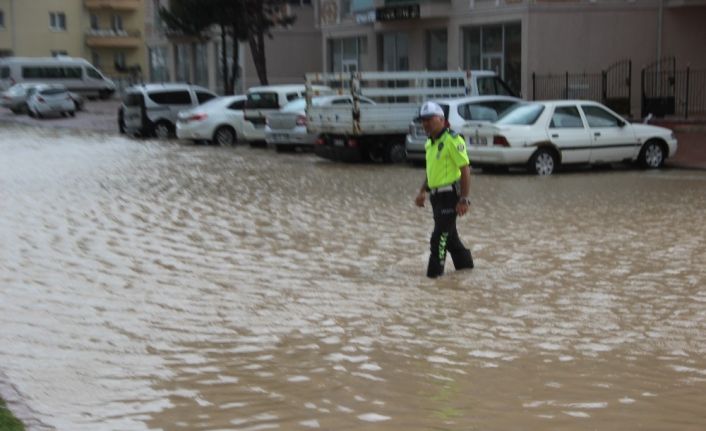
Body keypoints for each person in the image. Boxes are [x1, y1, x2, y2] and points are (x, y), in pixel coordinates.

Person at [414, 101, 474, 278]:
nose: (425, 123)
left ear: (441, 119)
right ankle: (467, 270)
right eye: (423, 120)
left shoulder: (452, 140)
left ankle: (434, 279)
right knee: (450, 240)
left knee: (438, 239)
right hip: (436, 197)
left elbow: (465, 169)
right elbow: (432, 171)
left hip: (450, 196)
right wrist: (423, 191)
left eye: (429, 119)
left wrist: (464, 199)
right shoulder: (430, 143)